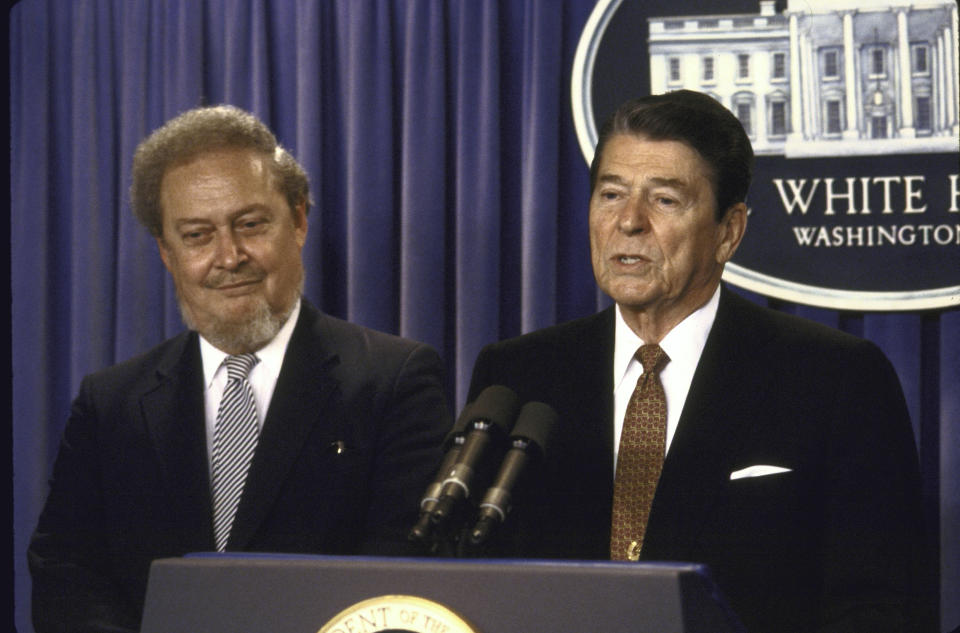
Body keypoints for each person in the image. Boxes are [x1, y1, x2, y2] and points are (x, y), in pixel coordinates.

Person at [467, 90, 929, 632]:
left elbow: (878, 607)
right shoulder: (519, 377)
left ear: (728, 231)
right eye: (611, 194)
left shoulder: (834, 378)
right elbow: (472, 579)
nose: (629, 222)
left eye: (664, 200)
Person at [28, 105, 451, 633]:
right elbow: (66, 574)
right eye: (197, 236)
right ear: (166, 252)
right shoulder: (110, 402)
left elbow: (402, 577)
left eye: (250, 225)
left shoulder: (394, 380)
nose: (229, 256)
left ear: (298, 221)